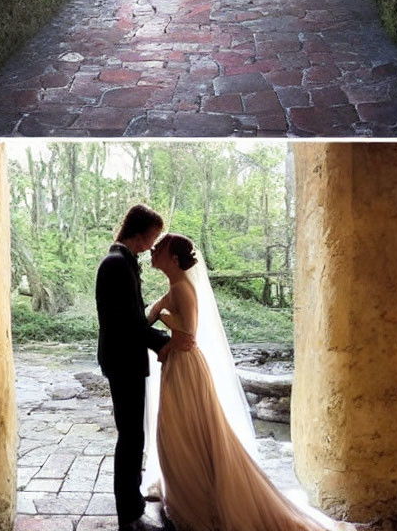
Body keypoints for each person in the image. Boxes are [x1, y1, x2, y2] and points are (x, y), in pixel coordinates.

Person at [147, 233, 329, 531]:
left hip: (187, 366)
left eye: (160, 247)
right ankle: (186, 493)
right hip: (177, 364)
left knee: (185, 431)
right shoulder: (174, 286)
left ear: (174, 258)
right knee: (177, 431)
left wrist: (162, 314)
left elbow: (189, 331)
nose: (154, 250)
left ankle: (198, 501)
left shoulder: (182, 287)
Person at [95, 205, 193, 531]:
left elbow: (133, 317)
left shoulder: (122, 262)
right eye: (153, 235)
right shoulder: (116, 264)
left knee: (132, 435)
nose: (154, 244)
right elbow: (125, 321)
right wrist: (162, 341)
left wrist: (158, 335)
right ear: (140, 231)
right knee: (131, 437)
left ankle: (132, 506)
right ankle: (130, 515)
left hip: (124, 358)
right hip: (123, 360)